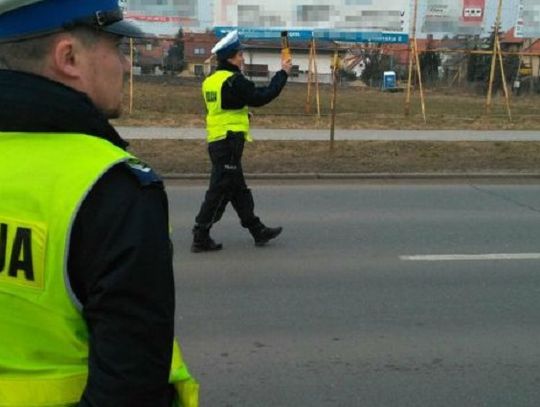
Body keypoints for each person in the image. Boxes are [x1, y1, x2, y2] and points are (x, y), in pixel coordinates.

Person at [0, 1, 197, 406]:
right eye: (117, 48)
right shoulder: (110, 189)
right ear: (69, 57)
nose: (125, 66)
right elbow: (131, 386)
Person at [191, 30, 293, 252]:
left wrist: (243, 115)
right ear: (230, 57)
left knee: (238, 189)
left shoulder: (211, 81)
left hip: (218, 140)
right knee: (219, 190)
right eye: (239, 55)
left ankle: (257, 230)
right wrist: (283, 73)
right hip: (228, 142)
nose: (242, 58)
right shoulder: (234, 81)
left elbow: (220, 108)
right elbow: (262, 96)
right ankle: (200, 234)